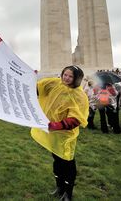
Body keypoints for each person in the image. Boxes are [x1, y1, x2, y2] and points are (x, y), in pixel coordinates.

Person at [31, 65, 88, 201]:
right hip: (53, 133)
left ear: (76, 79)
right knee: (56, 160)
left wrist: (56, 125)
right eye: (65, 74)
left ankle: (68, 193)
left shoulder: (79, 95)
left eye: (70, 76)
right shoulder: (55, 83)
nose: (66, 78)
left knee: (67, 162)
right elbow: (37, 89)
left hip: (66, 136)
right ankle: (59, 187)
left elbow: (76, 119)